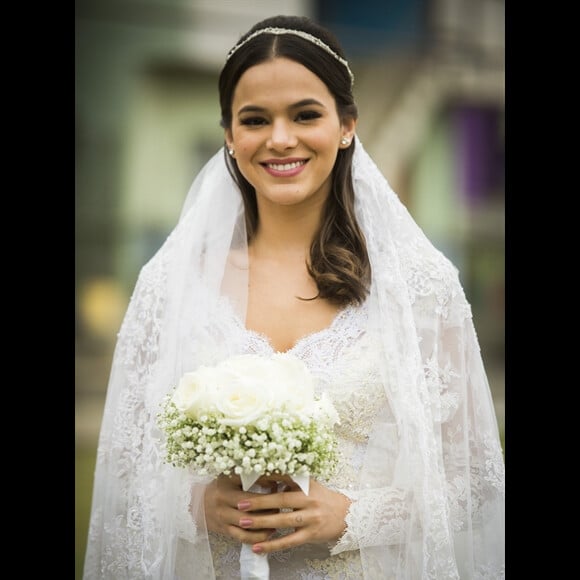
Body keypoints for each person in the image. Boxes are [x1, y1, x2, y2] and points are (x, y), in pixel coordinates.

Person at [82, 14, 505, 580]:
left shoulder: (417, 287)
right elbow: (123, 467)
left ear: (347, 125)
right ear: (230, 137)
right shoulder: (172, 286)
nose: (280, 138)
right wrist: (195, 506)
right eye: (255, 120)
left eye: (305, 115)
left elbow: (475, 475)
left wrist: (354, 515)